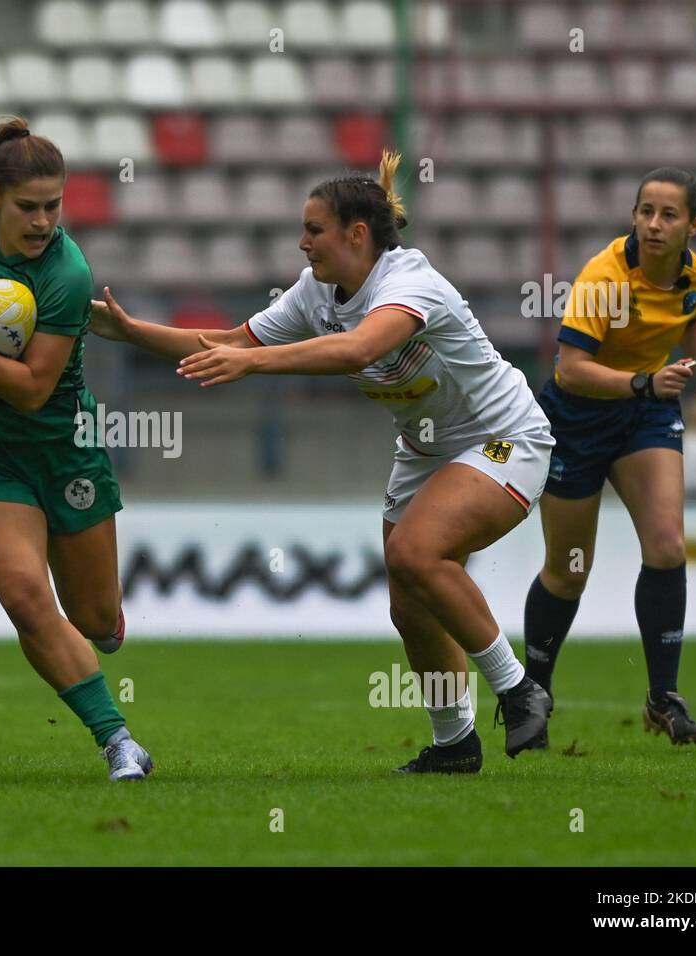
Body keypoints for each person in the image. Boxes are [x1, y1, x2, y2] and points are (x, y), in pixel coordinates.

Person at [90, 151, 553, 772]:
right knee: (408, 605)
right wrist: (132, 332)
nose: (301, 242)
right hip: (424, 449)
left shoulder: (410, 282)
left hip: (503, 438)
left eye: (313, 229)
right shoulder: (317, 293)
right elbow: (231, 342)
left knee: (415, 553)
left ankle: (519, 689)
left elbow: (356, 349)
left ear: (356, 234)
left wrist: (254, 364)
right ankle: (455, 745)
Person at [0, 117, 152, 781]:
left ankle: (103, 625)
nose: (44, 222)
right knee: (22, 593)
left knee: (95, 619)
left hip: (65, 448)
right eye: (29, 208)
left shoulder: (67, 275)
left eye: (54, 206)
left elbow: (33, 391)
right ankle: (118, 742)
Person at [522, 167, 696, 747]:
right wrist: (644, 383)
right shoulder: (602, 277)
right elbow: (571, 369)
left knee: (666, 546)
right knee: (569, 572)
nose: (654, 224)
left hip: (644, 413)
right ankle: (533, 697)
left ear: (693, 225)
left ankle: (663, 698)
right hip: (578, 417)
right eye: (645, 211)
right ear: (633, 217)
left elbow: (692, 315)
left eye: (668, 215)